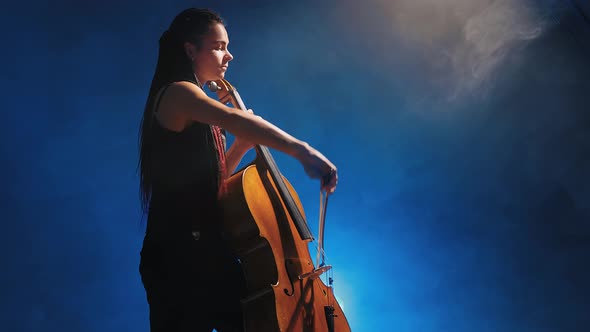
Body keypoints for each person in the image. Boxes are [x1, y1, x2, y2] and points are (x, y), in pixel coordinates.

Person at [137, 8, 338, 332]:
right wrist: (303, 150)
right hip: (176, 256)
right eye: (218, 46)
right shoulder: (177, 93)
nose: (228, 55)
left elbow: (213, 185)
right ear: (191, 50)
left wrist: (242, 145)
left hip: (210, 252)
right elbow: (237, 119)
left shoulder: (196, 104)